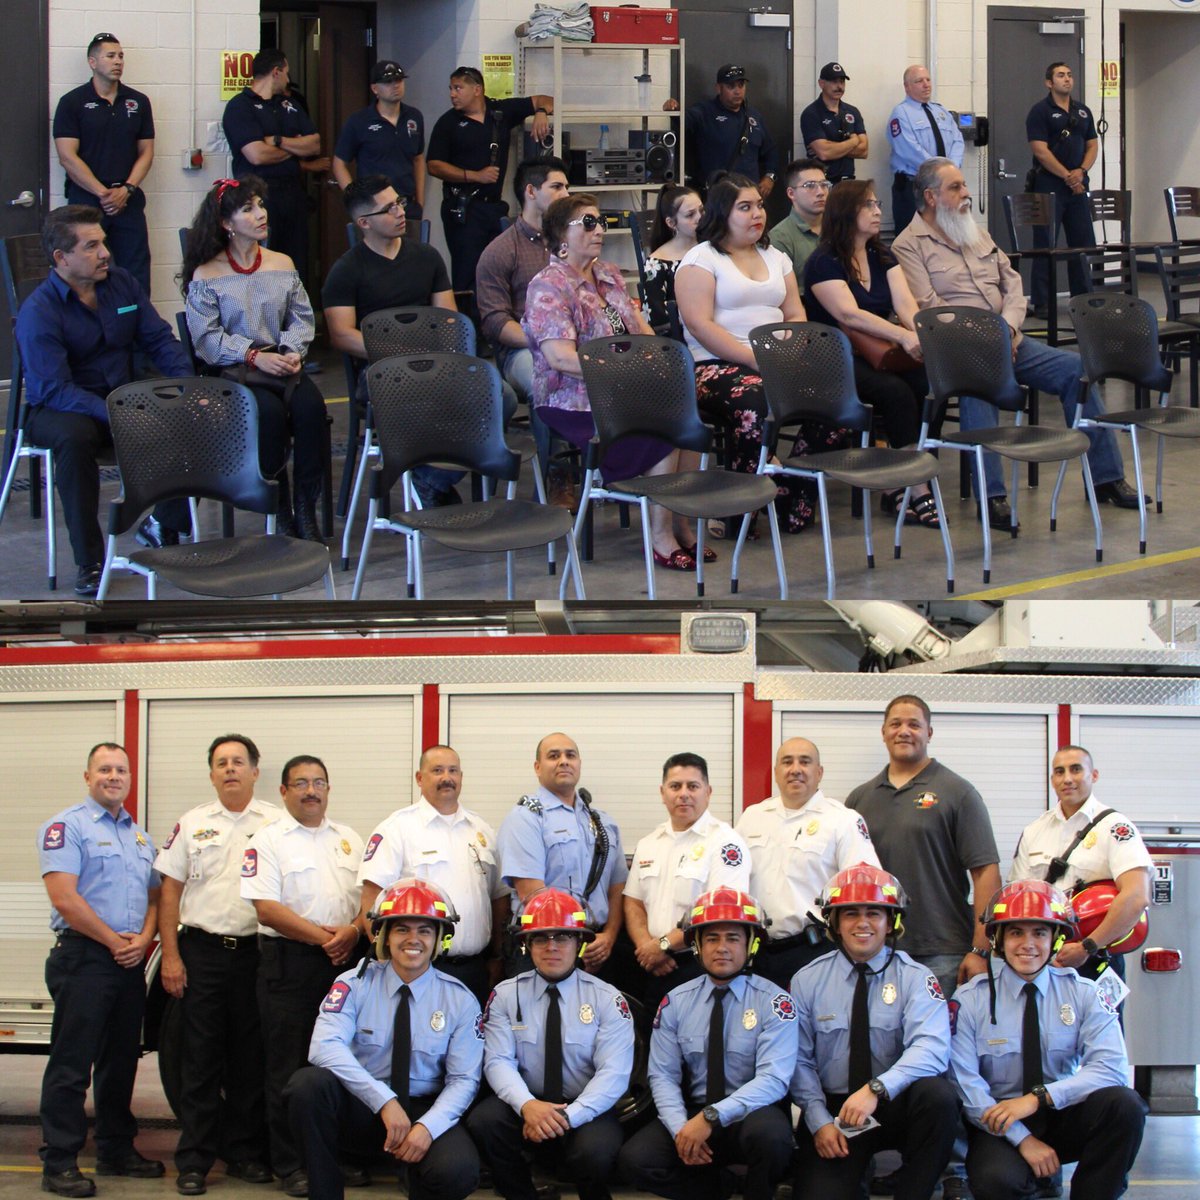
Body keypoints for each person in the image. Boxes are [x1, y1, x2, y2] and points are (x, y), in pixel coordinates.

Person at [892, 157, 1143, 524]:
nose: (965, 194)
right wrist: (990, 337)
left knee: (1076, 370)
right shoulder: (908, 244)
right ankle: (991, 497)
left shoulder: (974, 231)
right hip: (958, 349)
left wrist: (1007, 329)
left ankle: (1106, 478)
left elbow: (1012, 283)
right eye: (956, 187)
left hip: (1009, 339)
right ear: (930, 196)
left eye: (963, 185)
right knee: (980, 387)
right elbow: (929, 306)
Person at [15, 205, 193, 596]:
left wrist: (189, 385)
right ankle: (89, 562)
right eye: (92, 246)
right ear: (62, 258)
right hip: (63, 408)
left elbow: (159, 340)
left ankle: (164, 524)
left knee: (184, 413)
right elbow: (53, 389)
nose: (105, 253)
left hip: (120, 396)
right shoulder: (39, 312)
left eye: (104, 243)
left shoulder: (122, 283)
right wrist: (118, 413)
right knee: (74, 440)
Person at [522, 194, 705, 570]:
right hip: (571, 399)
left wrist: (660, 359)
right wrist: (623, 376)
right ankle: (660, 534)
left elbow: (639, 327)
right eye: (587, 223)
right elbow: (560, 358)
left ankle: (681, 524)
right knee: (662, 426)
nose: (599, 229)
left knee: (688, 417)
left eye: (601, 221)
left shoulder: (609, 273)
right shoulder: (548, 285)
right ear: (560, 236)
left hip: (625, 389)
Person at [949, 880, 1147, 1200]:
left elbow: (1111, 1069)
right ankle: (1035, 1177)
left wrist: (1039, 1098)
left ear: (1056, 940)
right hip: (1001, 1123)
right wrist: (1023, 1139)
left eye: (1040, 933)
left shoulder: (1084, 993)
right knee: (996, 1182)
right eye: (1016, 932)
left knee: (1125, 1106)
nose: (1028, 944)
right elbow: (966, 1084)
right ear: (998, 939)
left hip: (1063, 1113)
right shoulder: (971, 999)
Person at [286, 879, 482, 1200]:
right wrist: (384, 1100)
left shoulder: (459, 999)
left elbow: (463, 1080)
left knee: (458, 1172)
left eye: (425, 931)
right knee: (307, 1086)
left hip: (422, 1108)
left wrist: (426, 1129)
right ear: (384, 936)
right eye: (402, 929)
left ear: (438, 940)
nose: (413, 939)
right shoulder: (353, 984)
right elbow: (324, 1047)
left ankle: (417, 1179)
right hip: (364, 1105)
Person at [674, 173, 844, 537]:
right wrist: (753, 358)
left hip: (774, 360)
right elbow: (699, 324)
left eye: (760, 206)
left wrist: (787, 350)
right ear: (723, 213)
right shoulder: (700, 259)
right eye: (745, 207)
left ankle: (790, 489)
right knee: (757, 400)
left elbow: (795, 314)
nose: (757, 214)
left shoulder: (775, 256)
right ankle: (741, 511)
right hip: (713, 365)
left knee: (837, 400)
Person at [153, 734, 281, 1196]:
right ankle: (194, 1160)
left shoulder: (276, 822)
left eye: (238, 761)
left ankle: (244, 1154)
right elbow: (170, 890)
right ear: (211, 773)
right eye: (221, 763)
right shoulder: (192, 823)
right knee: (200, 1062)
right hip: (202, 953)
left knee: (250, 1061)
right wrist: (170, 955)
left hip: (256, 955)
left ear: (255, 771)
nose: (230, 769)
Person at [37, 743, 163, 1197]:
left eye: (122, 770)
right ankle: (59, 1161)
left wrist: (146, 939)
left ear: (130, 779)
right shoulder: (67, 827)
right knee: (72, 1065)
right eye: (105, 769)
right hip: (85, 959)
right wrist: (115, 942)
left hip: (129, 961)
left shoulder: (140, 837)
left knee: (120, 1062)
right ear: (87, 776)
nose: (114, 776)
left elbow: (155, 896)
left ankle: (115, 1149)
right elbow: (65, 899)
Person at [790, 864, 959, 1200]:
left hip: (895, 1101)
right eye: (850, 913)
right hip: (834, 1111)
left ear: (891, 922)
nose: (863, 923)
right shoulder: (806, 981)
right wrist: (818, 1120)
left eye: (874, 913)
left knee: (938, 1097)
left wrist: (876, 1089)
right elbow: (797, 1060)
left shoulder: (915, 977)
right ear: (834, 923)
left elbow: (933, 1049)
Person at [617, 887, 797, 1200]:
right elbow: (662, 1076)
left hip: (750, 1114)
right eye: (712, 938)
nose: (722, 948)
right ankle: (717, 1189)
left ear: (751, 945)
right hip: (693, 1112)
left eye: (733, 938)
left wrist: (712, 1118)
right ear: (697, 946)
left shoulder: (775, 1002)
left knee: (772, 1138)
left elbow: (774, 1080)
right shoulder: (674, 1002)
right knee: (636, 1161)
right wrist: (680, 1130)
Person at [240, 755, 364, 1197]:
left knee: (342, 1062)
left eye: (319, 783)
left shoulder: (350, 839)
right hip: (290, 963)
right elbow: (266, 908)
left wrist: (351, 932)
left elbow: (368, 899)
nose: (311, 791)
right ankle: (291, 1164)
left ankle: (333, 1156)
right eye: (301, 783)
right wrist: (325, 939)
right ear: (283, 791)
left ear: (329, 788)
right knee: (287, 1068)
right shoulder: (267, 841)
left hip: (344, 961)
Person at [182, 176, 328, 541]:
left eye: (260, 205)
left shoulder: (281, 263)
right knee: (270, 415)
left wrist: (292, 350)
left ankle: (307, 506)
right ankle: (278, 507)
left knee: (312, 410)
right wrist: (251, 356)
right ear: (226, 224)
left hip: (281, 362)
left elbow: (301, 317)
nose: (261, 214)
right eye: (248, 209)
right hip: (236, 370)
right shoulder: (207, 274)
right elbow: (206, 339)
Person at [468, 888, 635, 1200]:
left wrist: (568, 1117)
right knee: (484, 1121)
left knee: (595, 1152)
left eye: (563, 937)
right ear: (527, 945)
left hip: (586, 1106)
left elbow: (613, 1074)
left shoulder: (607, 999)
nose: (552, 947)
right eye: (541, 938)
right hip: (529, 1103)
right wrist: (527, 1105)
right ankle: (521, 1194)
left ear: (579, 943)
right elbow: (497, 1061)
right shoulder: (506, 995)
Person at [802, 177, 942, 529]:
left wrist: (920, 335)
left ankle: (901, 479)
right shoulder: (824, 261)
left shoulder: (882, 255)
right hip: (835, 356)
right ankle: (914, 485)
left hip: (880, 351)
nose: (878, 211)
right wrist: (900, 335)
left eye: (878, 204)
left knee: (931, 382)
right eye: (869, 205)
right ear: (847, 212)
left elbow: (906, 304)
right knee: (894, 392)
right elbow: (849, 314)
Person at [845, 695, 1001, 1000]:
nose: (904, 731)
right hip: (876, 950)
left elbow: (986, 873)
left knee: (939, 1045)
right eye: (896, 724)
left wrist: (981, 950)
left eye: (914, 724)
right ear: (883, 732)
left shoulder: (958, 793)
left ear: (929, 733)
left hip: (942, 952)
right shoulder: (859, 800)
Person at [322, 175, 461, 509]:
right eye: (389, 208)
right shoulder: (346, 270)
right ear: (364, 223)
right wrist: (399, 354)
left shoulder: (427, 257)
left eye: (399, 202)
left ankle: (429, 479)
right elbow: (342, 334)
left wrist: (440, 353)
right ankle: (431, 477)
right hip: (380, 370)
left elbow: (449, 319)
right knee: (426, 398)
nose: (401, 211)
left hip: (432, 362)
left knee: (497, 397)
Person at [357, 744, 507, 1005]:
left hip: (474, 969)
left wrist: (497, 956)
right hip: (418, 969)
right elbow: (372, 898)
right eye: (437, 770)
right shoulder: (397, 828)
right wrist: (386, 960)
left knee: (470, 1044)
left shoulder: (482, 830)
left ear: (461, 777)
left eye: (453, 771)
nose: (446, 777)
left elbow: (498, 899)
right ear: (419, 778)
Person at [736, 737, 880, 988]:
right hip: (758, 955)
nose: (795, 769)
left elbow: (864, 889)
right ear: (776, 772)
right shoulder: (752, 817)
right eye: (787, 762)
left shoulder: (842, 820)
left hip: (816, 951)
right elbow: (734, 882)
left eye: (805, 762)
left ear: (819, 772)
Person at [1009, 744, 1152, 981]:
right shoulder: (1034, 831)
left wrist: (1088, 947)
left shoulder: (1115, 827)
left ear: (1093, 775)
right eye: (1059, 771)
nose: (1067, 779)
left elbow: (1136, 897)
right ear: (1052, 779)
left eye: (1076, 770)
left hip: (1097, 958)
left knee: (1099, 1020)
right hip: (1043, 960)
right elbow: (1019, 899)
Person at [497, 732, 629, 985]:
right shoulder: (525, 818)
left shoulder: (603, 822)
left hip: (598, 948)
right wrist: (573, 941)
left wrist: (610, 936)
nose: (564, 761)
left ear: (579, 764)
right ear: (537, 767)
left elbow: (617, 886)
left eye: (570, 755)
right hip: (546, 945)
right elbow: (532, 893)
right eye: (553, 756)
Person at [623, 752, 752, 1012]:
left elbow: (719, 913)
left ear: (708, 791)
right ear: (662, 792)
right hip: (652, 967)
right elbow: (633, 902)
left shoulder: (725, 843)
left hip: (700, 967)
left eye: (692, 786)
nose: (684, 794)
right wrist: (647, 948)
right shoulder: (649, 843)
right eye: (675, 786)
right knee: (653, 1044)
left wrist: (662, 946)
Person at [474, 156, 571, 502]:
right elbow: (495, 322)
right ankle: (558, 476)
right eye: (557, 187)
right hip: (520, 349)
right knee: (548, 377)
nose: (566, 194)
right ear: (531, 192)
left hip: (573, 342)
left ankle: (606, 467)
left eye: (567, 186)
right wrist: (542, 343)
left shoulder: (570, 245)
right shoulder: (500, 251)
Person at [425, 65, 554, 292]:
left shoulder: (499, 112)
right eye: (451, 89)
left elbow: (546, 99)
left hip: (493, 208)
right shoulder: (448, 123)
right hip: (463, 209)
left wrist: (541, 113)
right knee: (467, 276)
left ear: (477, 89)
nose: (452, 94)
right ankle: (469, 325)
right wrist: (472, 175)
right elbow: (433, 165)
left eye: (458, 88)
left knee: (502, 270)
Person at [53, 33, 154, 294]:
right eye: (110, 56)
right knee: (87, 270)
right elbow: (67, 156)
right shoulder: (71, 103)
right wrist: (103, 193)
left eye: (120, 56)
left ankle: (136, 329)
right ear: (92, 62)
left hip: (127, 200)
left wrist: (127, 190)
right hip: (87, 202)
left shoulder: (138, 102)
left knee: (136, 273)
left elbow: (146, 152)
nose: (118, 61)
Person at [221, 49, 321, 282]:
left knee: (296, 263)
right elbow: (257, 155)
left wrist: (277, 140)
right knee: (264, 260)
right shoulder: (240, 107)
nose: (288, 79)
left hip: (293, 193)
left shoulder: (291, 104)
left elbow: (314, 145)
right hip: (259, 197)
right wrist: (295, 147)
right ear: (276, 72)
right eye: (286, 73)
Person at [1025, 63, 1098, 315]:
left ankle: (1084, 295)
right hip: (1049, 184)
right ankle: (1043, 301)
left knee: (1083, 241)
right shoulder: (1040, 111)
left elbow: (1092, 145)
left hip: (1077, 186)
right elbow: (1040, 151)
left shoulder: (1083, 111)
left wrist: (1082, 172)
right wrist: (1068, 175)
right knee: (1045, 243)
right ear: (1049, 82)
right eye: (1060, 75)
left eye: (1069, 75)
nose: (1067, 79)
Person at [332, 61, 425, 222]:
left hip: (407, 205)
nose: (395, 85)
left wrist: (420, 201)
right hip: (375, 208)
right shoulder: (359, 121)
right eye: (388, 82)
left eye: (399, 80)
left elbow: (418, 158)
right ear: (375, 88)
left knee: (412, 247)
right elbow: (339, 164)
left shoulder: (414, 116)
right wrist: (356, 202)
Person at [886, 65, 963, 235]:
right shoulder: (901, 114)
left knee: (946, 237)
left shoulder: (941, 111)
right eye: (919, 81)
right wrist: (941, 172)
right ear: (907, 87)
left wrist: (950, 171)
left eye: (928, 80)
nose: (926, 84)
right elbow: (909, 150)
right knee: (914, 240)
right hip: (914, 187)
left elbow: (958, 141)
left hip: (944, 187)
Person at [684, 64, 778, 196]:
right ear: (719, 88)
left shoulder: (754, 116)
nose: (737, 91)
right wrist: (674, 110)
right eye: (731, 86)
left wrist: (770, 176)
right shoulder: (704, 112)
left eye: (741, 85)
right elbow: (681, 123)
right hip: (719, 196)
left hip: (750, 194)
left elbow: (771, 151)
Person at [643, 184, 704, 333]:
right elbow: (658, 320)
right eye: (690, 215)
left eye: (702, 211)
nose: (700, 218)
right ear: (671, 223)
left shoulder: (712, 248)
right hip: (683, 337)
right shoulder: (657, 263)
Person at [800, 63, 867, 184]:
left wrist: (833, 147)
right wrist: (853, 141)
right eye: (834, 82)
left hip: (848, 183)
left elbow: (864, 151)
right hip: (822, 183)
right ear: (821, 84)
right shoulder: (811, 113)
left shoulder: (852, 111)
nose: (839, 86)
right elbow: (824, 153)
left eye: (842, 82)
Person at [767, 158, 828, 280]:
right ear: (791, 193)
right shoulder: (779, 238)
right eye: (810, 186)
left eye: (824, 185)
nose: (820, 192)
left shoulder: (838, 227)